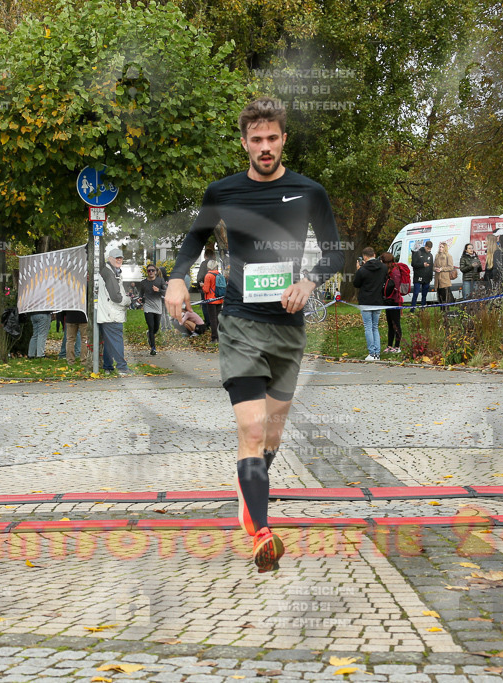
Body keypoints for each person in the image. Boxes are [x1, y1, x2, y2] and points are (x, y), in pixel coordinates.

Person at [164, 97, 344, 573]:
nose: (265, 147)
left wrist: (309, 281)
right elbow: (193, 240)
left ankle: (251, 491)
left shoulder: (310, 191)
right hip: (240, 323)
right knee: (251, 427)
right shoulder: (222, 191)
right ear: (244, 143)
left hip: (288, 328)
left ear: (284, 139)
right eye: (256, 140)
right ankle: (262, 533)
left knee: (272, 434)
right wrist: (178, 277)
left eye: (272, 138)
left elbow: (334, 254)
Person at [96, 248, 131, 375]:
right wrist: (128, 301)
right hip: (112, 314)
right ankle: (122, 367)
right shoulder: (110, 274)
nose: (119, 260)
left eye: (120, 258)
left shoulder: (111, 272)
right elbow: (116, 297)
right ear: (109, 259)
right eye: (116, 258)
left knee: (109, 342)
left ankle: (108, 367)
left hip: (108, 313)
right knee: (116, 341)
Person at [352, 247, 386, 360]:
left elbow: (356, 284)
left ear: (365, 257)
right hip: (378, 300)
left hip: (366, 301)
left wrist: (357, 270)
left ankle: (371, 353)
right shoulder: (383, 267)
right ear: (374, 254)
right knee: (375, 327)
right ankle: (377, 353)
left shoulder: (362, 270)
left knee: (368, 327)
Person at [137, 264, 167, 354]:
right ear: (147, 272)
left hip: (158, 306)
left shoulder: (160, 280)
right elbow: (141, 294)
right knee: (151, 326)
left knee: (156, 327)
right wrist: (140, 298)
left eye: (152, 270)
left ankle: (149, 335)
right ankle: (153, 348)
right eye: (149, 270)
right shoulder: (143, 282)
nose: (151, 272)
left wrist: (159, 290)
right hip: (148, 307)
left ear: (156, 271)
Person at [379, 252, 403, 354]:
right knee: (390, 324)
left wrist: (390, 297)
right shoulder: (388, 271)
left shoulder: (395, 272)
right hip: (388, 301)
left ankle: (397, 346)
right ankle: (389, 345)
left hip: (395, 301)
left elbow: (396, 287)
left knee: (396, 324)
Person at [199, 260, 224, 342]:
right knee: (218, 318)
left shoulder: (208, 276)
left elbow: (206, 290)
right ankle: (220, 336)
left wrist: (202, 286)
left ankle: (214, 337)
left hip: (211, 300)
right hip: (219, 299)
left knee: (212, 319)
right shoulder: (219, 274)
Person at [410, 241, 433, 308]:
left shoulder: (430, 255)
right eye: (428, 248)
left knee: (424, 294)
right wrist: (422, 265)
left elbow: (431, 266)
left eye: (430, 249)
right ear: (425, 246)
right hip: (418, 276)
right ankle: (412, 308)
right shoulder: (418, 252)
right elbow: (413, 264)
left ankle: (423, 308)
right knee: (416, 293)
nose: (429, 250)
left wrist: (430, 277)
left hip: (427, 277)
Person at [432, 241, 455, 307]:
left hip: (445, 279)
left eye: (442, 247)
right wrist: (435, 269)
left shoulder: (448, 256)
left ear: (445, 248)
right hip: (437, 279)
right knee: (440, 298)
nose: (440, 248)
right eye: (440, 247)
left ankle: (446, 312)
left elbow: (451, 267)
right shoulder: (437, 256)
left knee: (445, 298)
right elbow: (433, 267)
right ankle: (442, 312)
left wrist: (442, 269)